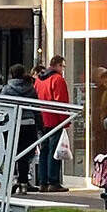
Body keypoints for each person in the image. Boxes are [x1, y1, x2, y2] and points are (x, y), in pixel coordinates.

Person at [28, 59, 73, 192]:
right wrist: (65, 120)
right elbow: (61, 101)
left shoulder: (39, 80)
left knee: (44, 150)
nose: (63, 69)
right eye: (62, 66)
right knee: (54, 151)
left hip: (42, 119)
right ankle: (53, 181)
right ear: (57, 65)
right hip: (54, 119)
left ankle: (43, 182)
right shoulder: (57, 79)